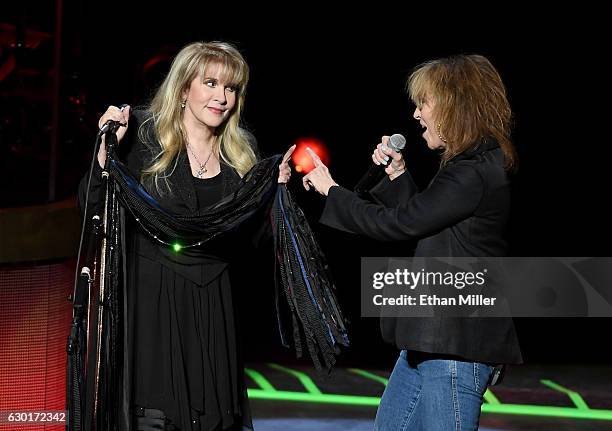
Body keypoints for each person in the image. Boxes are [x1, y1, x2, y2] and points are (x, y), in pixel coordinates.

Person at [78, 41, 294, 431]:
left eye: (231, 88)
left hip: (212, 308)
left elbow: (250, 246)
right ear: (183, 89)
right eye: (210, 83)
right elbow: (92, 208)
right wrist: (104, 154)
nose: (222, 97)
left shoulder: (241, 155)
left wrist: (271, 199)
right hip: (151, 308)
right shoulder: (142, 136)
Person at [302, 54, 522, 430]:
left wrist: (332, 191)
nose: (417, 114)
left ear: (454, 103)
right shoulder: (467, 166)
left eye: (424, 103)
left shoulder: (474, 171)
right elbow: (427, 224)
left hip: (456, 348)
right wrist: (397, 176)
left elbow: (399, 224)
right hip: (429, 342)